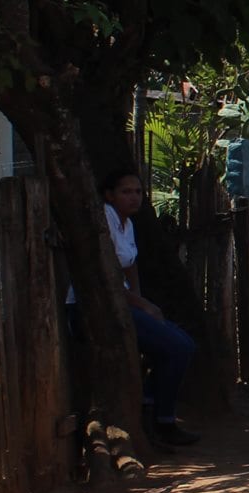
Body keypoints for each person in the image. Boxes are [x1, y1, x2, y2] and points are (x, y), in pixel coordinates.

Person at [72, 170, 200, 448]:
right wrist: (142, 305)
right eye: (125, 192)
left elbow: (130, 266)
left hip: (125, 305)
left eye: (138, 192)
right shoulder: (103, 218)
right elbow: (104, 277)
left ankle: (151, 406)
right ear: (109, 195)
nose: (134, 197)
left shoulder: (127, 224)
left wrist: (141, 303)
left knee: (183, 344)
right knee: (178, 347)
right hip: (95, 309)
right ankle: (160, 419)